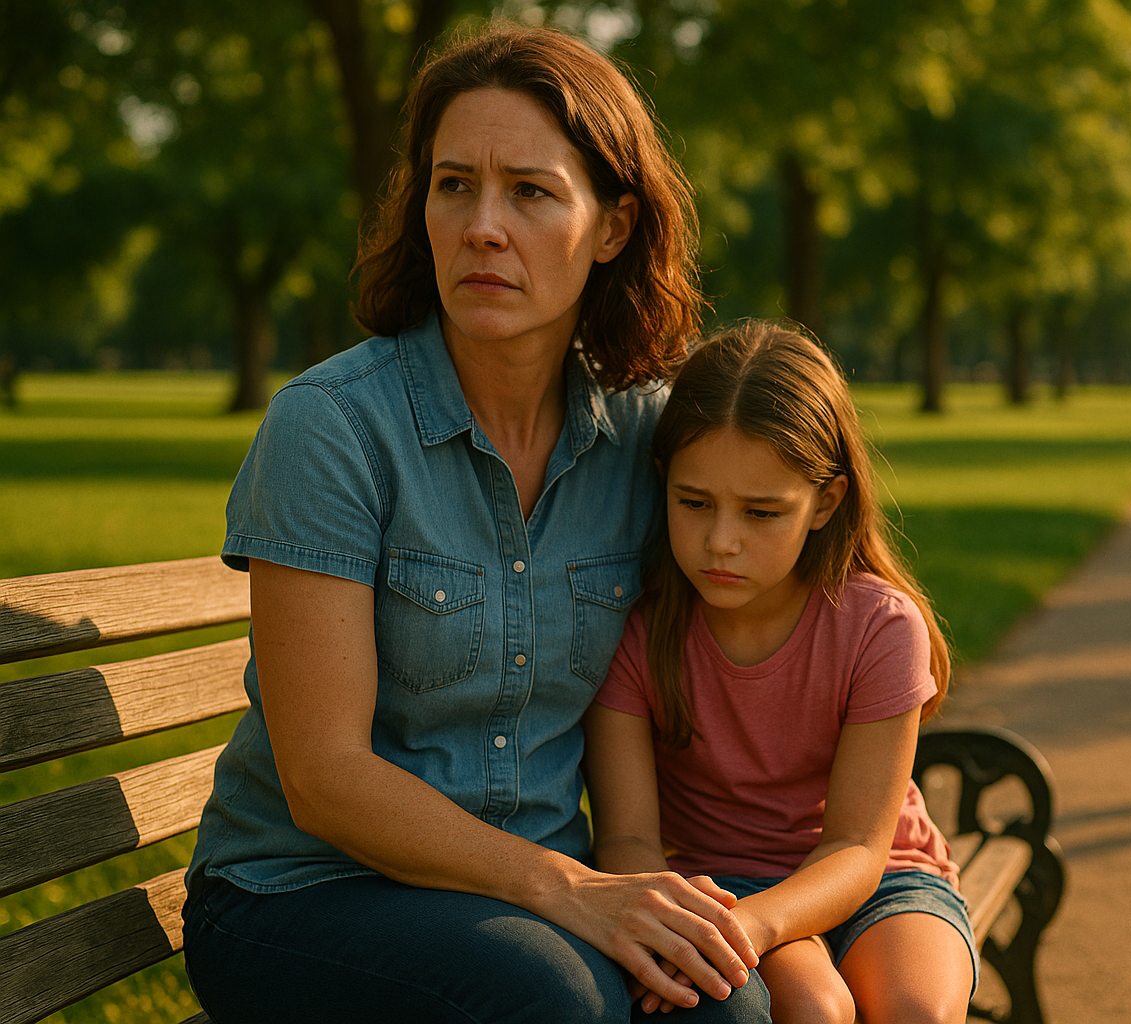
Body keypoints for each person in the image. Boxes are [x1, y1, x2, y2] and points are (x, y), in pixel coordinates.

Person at [181, 26, 772, 1023]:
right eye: (454, 185)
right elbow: (324, 780)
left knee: (723, 1003)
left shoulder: (643, 436)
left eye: (530, 192)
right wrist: (566, 888)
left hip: (541, 899)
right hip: (302, 894)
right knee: (552, 998)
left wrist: (875, 821)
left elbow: (774, 606)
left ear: (614, 225)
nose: (482, 226)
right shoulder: (333, 427)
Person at [582, 321, 979, 1024]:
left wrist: (760, 925)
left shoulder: (879, 627)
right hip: (719, 889)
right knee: (814, 1011)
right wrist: (703, 919)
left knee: (916, 1010)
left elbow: (858, 846)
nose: (720, 542)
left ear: (825, 503)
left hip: (882, 879)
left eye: (762, 512)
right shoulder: (636, 632)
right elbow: (627, 840)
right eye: (693, 502)